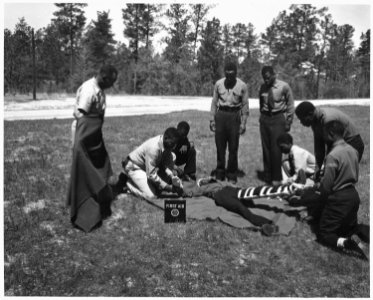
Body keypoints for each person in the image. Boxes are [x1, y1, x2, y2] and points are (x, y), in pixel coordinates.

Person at [67, 65, 118, 232]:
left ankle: (99, 195)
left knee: (100, 165)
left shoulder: (99, 89)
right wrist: (88, 135)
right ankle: (84, 206)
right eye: (111, 82)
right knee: (85, 171)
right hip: (83, 136)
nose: (112, 86)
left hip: (93, 135)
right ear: (104, 78)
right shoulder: (90, 89)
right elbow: (80, 114)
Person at [313, 120, 369, 257]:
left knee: (324, 234)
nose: (323, 138)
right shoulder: (353, 150)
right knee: (349, 227)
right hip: (353, 195)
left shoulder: (332, 156)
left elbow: (326, 186)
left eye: (325, 134)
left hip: (339, 198)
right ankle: (363, 234)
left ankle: (345, 243)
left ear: (331, 134)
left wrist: (318, 198)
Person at [295, 101, 364, 181]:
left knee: (339, 178)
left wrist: (326, 170)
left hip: (352, 143)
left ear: (310, 114)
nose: (301, 122)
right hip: (342, 146)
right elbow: (319, 148)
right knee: (331, 177)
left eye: (302, 119)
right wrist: (317, 170)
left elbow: (333, 148)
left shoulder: (327, 119)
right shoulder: (315, 122)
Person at [209, 61, 249, 184]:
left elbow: (245, 105)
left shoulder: (242, 86)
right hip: (221, 116)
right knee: (220, 146)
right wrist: (212, 119)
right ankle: (220, 172)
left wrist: (243, 123)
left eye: (232, 75)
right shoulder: (218, 84)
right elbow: (214, 102)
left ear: (236, 73)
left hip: (234, 116)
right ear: (224, 73)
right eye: (227, 75)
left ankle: (231, 174)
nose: (229, 77)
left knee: (233, 147)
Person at [121, 127, 184, 200]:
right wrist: (169, 188)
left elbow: (167, 160)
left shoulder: (166, 143)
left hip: (146, 166)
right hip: (134, 167)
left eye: (175, 144)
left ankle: (156, 185)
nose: (174, 147)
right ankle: (129, 184)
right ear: (166, 138)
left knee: (173, 156)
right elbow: (151, 175)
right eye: (173, 144)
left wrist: (172, 176)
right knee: (151, 196)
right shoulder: (153, 148)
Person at [258, 66, 295, 186]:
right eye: (264, 78)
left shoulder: (284, 86)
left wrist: (288, 121)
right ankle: (268, 178)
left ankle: (277, 178)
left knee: (276, 149)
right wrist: (262, 117)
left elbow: (290, 104)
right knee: (266, 149)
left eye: (268, 78)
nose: (266, 80)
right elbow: (261, 102)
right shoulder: (263, 87)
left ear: (274, 75)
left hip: (278, 118)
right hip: (265, 119)